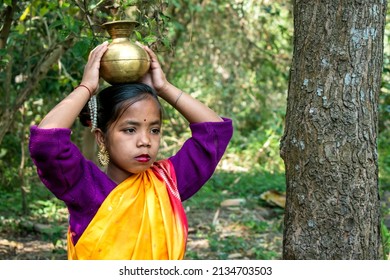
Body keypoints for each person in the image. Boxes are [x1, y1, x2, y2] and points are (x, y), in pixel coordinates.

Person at [29, 41, 233, 260]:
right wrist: (86, 87)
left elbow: (215, 132)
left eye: (154, 129)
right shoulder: (84, 186)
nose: (145, 140)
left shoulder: (168, 182)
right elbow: (46, 141)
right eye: (129, 130)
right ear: (101, 137)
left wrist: (163, 87)